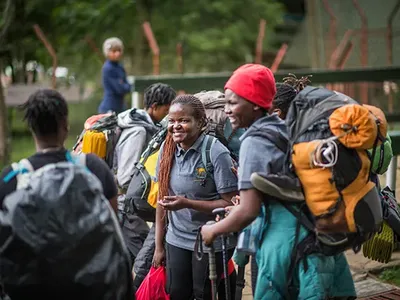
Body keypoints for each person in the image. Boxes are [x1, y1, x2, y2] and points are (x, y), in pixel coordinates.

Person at [201, 64, 356, 300]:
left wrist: (213, 230)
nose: (227, 110)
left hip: (282, 244)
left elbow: (248, 211)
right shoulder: (285, 129)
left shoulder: (253, 142)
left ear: (255, 104)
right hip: (314, 235)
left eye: (233, 103)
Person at [152, 95, 238, 300]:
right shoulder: (166, 150)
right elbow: (161, 202)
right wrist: (158, 247)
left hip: (210, 242)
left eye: (183, 120)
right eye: (172, 121)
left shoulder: (216, 153)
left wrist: (187, 204)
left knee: (203, 295)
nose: (176, 126)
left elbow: (230, 203)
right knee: (177, 293)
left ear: (200, 123)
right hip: (176, 240)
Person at [0, 89, 118, 212]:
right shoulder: (94, 168)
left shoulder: (12, 178)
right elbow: (113, 222)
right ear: (65, 125)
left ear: (32, 128)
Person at [115, 83, 176, 267]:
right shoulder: (139, 131)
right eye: (167, 111)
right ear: (154, 107)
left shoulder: (146, 127)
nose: (169, 117)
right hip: (125, 207)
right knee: (140, 260)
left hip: (129, 206)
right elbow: (125, 177)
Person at [98, 37, 131, 114]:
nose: (117, 53)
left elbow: (128, 86)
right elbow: (120, 89)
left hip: (121, 107)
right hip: (109, 108)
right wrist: (124, 85)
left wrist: (124, 85)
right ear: (107, 52)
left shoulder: (120, 67)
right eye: (114, 51)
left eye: (119, 50)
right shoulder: (108, 68)